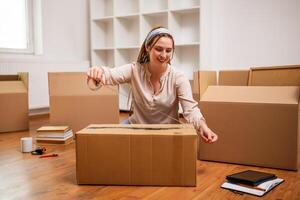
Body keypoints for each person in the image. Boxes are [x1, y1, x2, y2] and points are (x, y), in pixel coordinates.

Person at [87, 26, 218, 143]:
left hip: (166, 133)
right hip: (136, 127)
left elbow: (191, 110)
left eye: (168, 50)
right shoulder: (134, 70)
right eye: (159, 49)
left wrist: (203, 126)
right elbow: (109, 74)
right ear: (148, 47)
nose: (164, 55)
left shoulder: (179, 78)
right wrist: (97, 71)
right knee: (111, 146)